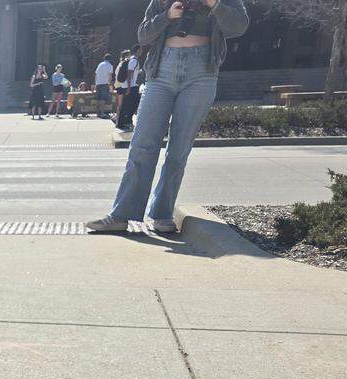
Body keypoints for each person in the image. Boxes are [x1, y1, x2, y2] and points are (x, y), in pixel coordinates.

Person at [87, 0, 248, 235]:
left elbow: (238, 26)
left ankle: (162, 214)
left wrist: (215, 4)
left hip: (201, 72)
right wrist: (167, 16)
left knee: (178, 149)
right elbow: (143, 35)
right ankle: (121, 215)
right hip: (162, 70)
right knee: (142, 145)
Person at [116, 45, 144, 130]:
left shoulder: (132, 60)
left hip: (131, 86)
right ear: (137, 50)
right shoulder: (133, 61)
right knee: (129, 106)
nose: (141, 52)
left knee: (129, 105)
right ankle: (124, 123)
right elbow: (129, 74)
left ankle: (125, 122)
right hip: (131, 86)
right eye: (140, 50)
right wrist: (128, 88)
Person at [112, 50, 132, 122]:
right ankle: (117, 118)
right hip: (122, 85)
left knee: (119, 104)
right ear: (127, 55)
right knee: (121, 104)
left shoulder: (120, 64)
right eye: (129, 54)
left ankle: (116, 117)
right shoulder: (125, 64)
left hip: (118, 85)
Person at [94, 53, 114, 118]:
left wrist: (96, 83)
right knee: (103, 99)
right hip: (105, 83)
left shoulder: (100, 64)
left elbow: (96, 74)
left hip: (98, 83)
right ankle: (102, 113)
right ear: (110, 59)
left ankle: (97, 113)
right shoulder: (110, 65)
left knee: (98, 98)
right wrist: (110, 84)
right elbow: (110, 76)